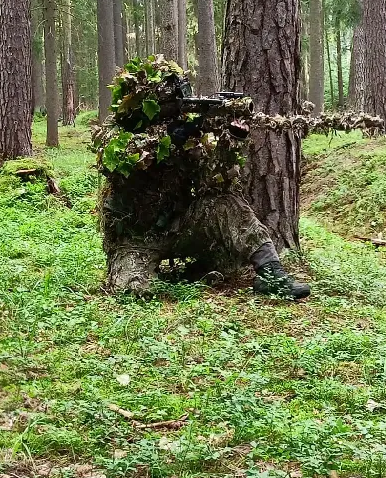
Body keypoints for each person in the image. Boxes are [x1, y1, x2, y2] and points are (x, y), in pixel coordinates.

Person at [94, 57, 311, 299]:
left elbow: (213, 181)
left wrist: (232, 141)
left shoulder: (187, 129)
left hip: (178, 227)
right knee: (130, 292)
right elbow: (114, 159)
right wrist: (163, 142)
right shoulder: (118, 128)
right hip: (135, 238)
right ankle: (167, 275)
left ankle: (272, 274)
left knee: (225, 204)